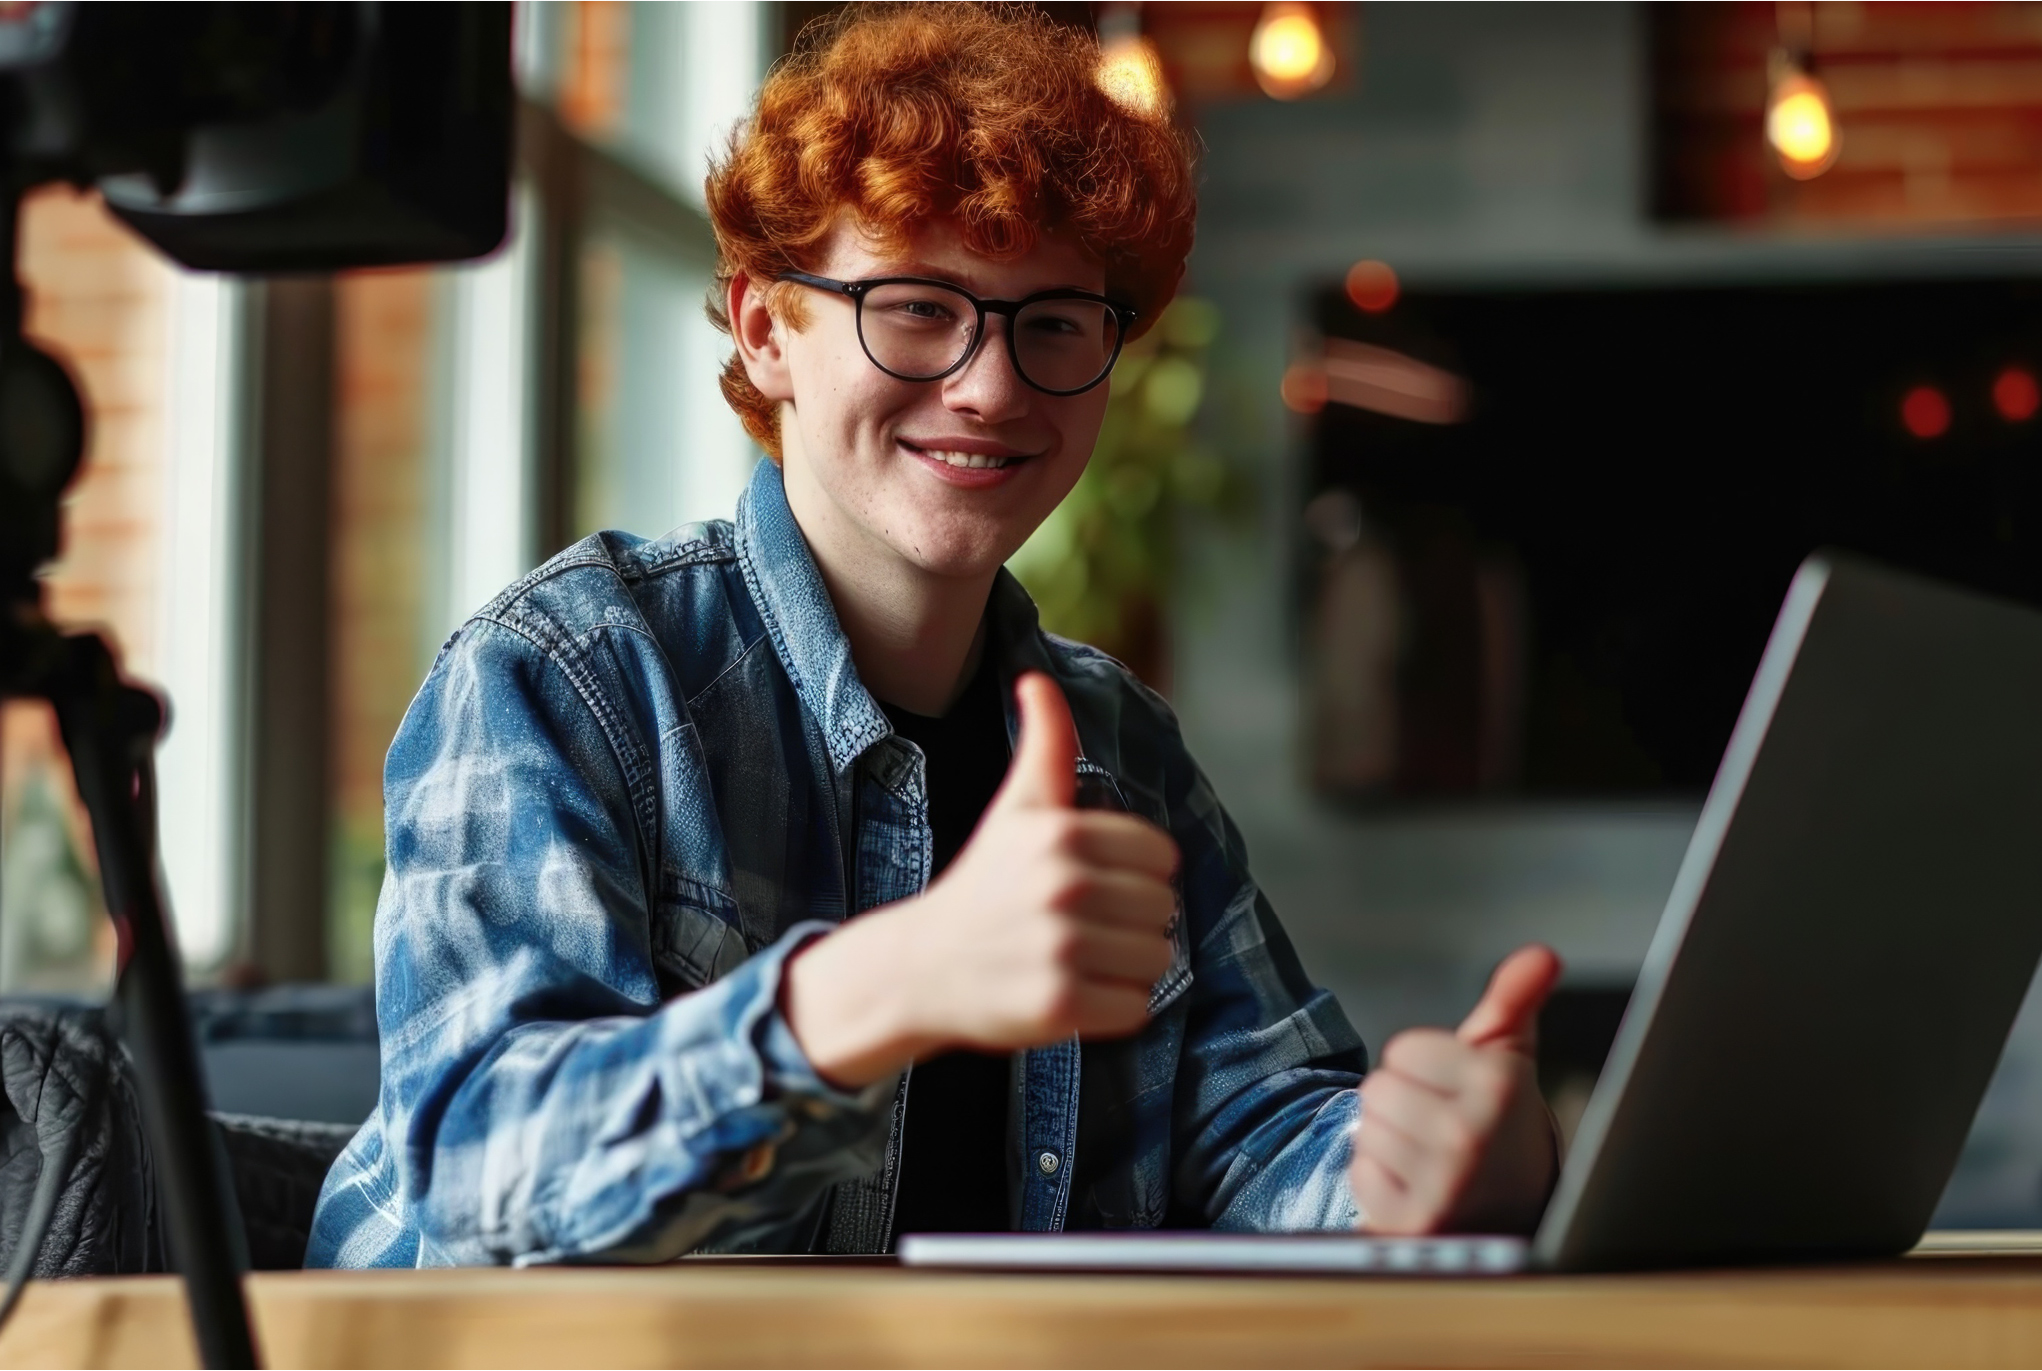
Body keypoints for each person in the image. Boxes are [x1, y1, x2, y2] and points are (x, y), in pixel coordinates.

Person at [305, 3, 1560, 1268]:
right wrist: (888, 985)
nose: (993, 385)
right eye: (913, 306)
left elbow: (1252, 1126)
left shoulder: (1120, 751)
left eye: (1055, 322)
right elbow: (479, 1173)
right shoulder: (565, 672)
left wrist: (1419, 1172)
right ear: (762, 327)